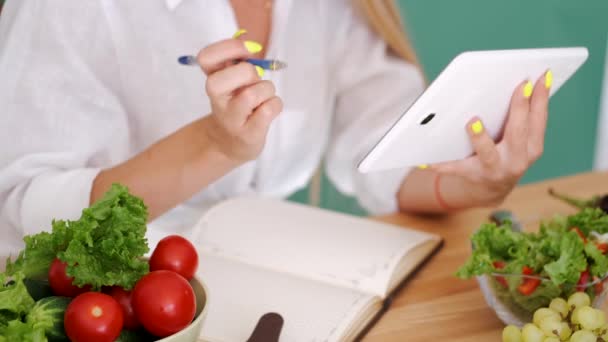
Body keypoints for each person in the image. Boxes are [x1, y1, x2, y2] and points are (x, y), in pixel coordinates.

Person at [0, 0, 550, 252]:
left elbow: (383, 151)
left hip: (271, 273)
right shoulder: (69, 8)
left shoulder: (332, 8)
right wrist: (212, 146)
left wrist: (471, 183)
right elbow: (30, 207)